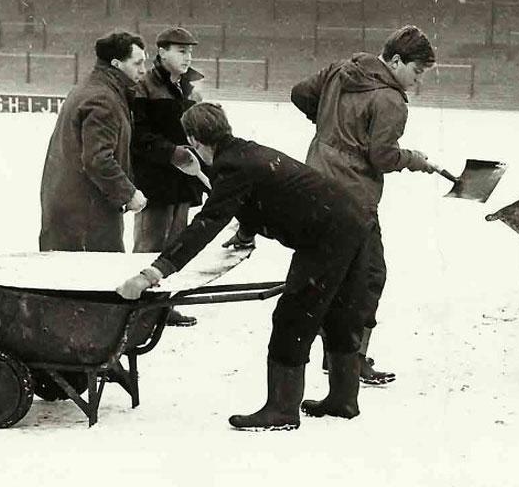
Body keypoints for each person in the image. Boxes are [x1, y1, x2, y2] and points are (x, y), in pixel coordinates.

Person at [117, 103, 376, 431]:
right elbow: (261, 196)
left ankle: (282, 409)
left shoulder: (232, 167)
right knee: (339, 312)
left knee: (294, 316)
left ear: (195, 140)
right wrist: (245, 232)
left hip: (327, 236)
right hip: (353, 221)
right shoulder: (244, 153)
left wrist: (154, 272)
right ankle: (343, 399)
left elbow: (207, 222)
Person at [290, 25, 437, 386]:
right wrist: (415, 158)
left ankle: (324, 351)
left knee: (325, 272)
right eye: (416, 72)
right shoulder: (391, 100)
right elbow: (383, 156)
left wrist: (329, 127)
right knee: (369, 276)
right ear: (396, 61)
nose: (416, 82)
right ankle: (351, 357)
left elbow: (299, 93)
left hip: (316, 183)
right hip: (354, 196)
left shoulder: (342, 69)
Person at [39, 31, 148, 252]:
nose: (143, 71)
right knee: (92, 280)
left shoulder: (92, 89)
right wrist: (128, 193)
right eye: (138, 63)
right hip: (86, 214)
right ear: (117, 64)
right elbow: (98, 159)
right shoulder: (103, 100)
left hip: (70, 205)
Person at [130, 26, 207, 327]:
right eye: (180, 50)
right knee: (148, 246)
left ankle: (164, 308)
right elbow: (139, 136)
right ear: (161, 52)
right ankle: (139, 310)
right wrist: (172, 152)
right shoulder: (145, 87)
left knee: (175, 246)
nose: (187, 56)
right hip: (154, 182)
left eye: (189, 51)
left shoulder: (190, 89)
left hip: (182, 181)